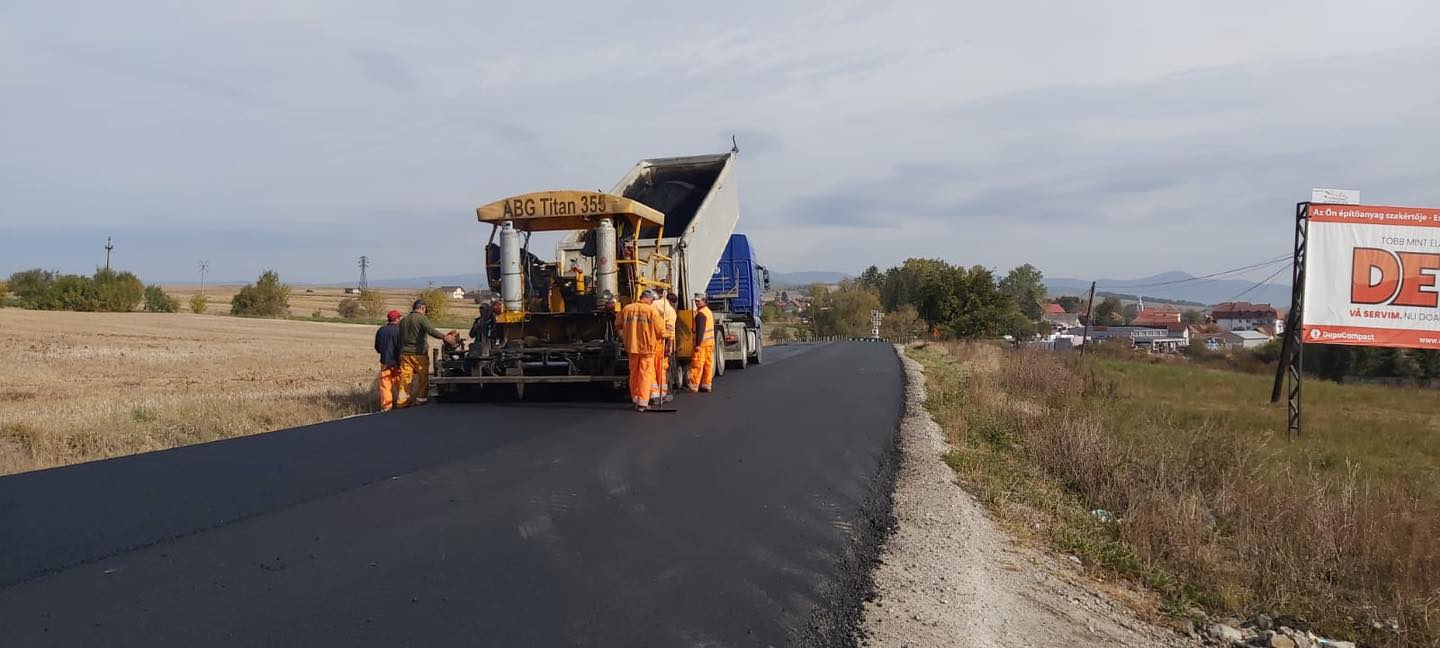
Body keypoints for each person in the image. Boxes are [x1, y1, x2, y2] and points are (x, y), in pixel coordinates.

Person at [397, 300, 456, 408]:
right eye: (425, 310)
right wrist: (444, 337)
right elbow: (431, 330)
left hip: (405, 353)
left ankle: (402, 402)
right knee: (423, 377)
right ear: (422, 308)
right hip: (419, 354)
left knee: (405, 378)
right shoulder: (421, 318)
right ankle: (421, 399)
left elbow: (400, 337)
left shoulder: (403, 320)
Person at [616, 290, 665, 411]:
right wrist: (666, 336)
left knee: (634, 374)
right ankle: (643, 402)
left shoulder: (627, 309)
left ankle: (635, 398)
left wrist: (625, 337)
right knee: (645, 375)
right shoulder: (651, 311)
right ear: (649, 299)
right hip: (647, 349)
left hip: (631, 348)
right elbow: (660, 331)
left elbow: (618, 325)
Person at [652, 288, 678, 405]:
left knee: (650, 369)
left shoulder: (653, 304)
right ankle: (661, 394)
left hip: (649, 341)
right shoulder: (670, 311)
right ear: (673, 302)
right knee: (661, 369)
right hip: (661, 343)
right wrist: (670, 346)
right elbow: (670, 330)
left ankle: (651, 393)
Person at [374, 310, 403, 411]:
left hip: (385, 363)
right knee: (402, 385)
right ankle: (403, 404)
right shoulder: (400, 331)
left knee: (385, 386)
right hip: (398, 363)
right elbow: (402, 348)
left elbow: (377, 348)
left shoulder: (381, 330)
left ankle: (386, 407)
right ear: (397, 319)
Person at [688, 293, 716, 393]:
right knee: (708, 364)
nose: (696, 303)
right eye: (695, 301)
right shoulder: (708, 312)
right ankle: (706, 384)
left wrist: (697, 345)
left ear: (704, 301)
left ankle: (694, 384)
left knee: (697, 364)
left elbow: (700, 330)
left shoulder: (701, 314)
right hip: (710, 343)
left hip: (702, 344)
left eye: (698, 301)